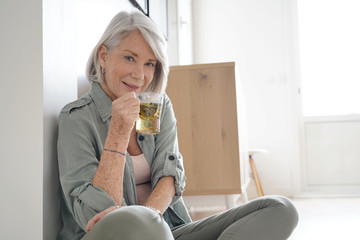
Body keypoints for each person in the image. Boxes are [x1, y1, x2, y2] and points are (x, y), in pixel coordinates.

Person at [57, 9, 298, 240]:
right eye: (130, 58)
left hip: (166, 231)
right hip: (111, 237)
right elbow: (96, 218)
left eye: (150, 63)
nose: (140, 75)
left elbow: (169, 175)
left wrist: (150, 219)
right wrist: (118, 131)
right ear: (103, 55)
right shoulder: (76, 119)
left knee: (280, 208)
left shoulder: (156, 106)